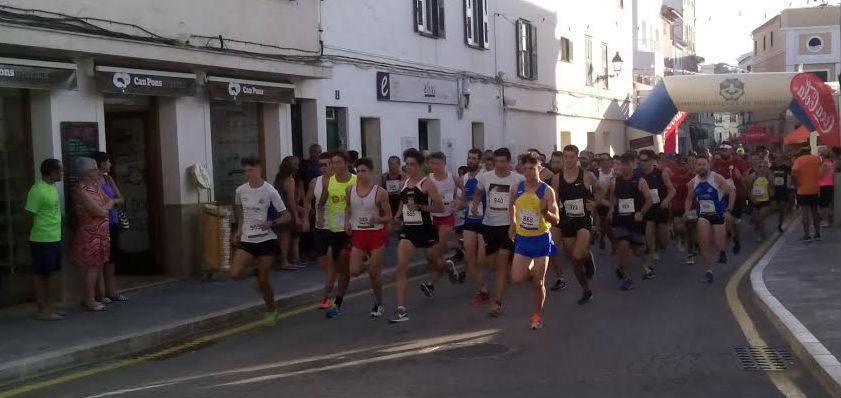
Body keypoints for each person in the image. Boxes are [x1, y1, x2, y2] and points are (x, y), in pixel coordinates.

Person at [230, 156, 289, 326]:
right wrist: (239, 229)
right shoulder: (240, 190)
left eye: (251, 170)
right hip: (248, 238)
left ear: (259, 170)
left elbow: (287, 216)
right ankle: (254, 272)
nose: (248, 174)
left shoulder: (270, 191)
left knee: (264, 281)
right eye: (245, 171)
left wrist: (272, 222)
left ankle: (271, 311)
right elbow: (240, 212)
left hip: (266, 239)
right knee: (235, 274)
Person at [389, 149, 443, 323]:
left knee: (435, 263)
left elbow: (439, 207)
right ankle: (401, 309)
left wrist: (420, 207)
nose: (409, 167)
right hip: (409, 230)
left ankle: (448, 266)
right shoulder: (404, 182)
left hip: (426, 230)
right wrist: (397, 216)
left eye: (413, 164)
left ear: (420, 165)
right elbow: (402, 203)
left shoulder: (427, 183)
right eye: (407, 164)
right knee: (401, 266)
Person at [472, 148, 524, 317]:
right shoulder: (485, 177)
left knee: (500, 265)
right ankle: (513, 266)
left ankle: (497, 303)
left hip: (509, 226)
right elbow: (478, 191)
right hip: (489, 225)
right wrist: (474, 204)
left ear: (509, 162)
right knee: (492, 265)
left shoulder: (518, 179)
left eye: (503, 162)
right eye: (497, 162)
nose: (500, 165)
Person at [510, 152, 560, 329]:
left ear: (539, 168)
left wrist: (546, 212)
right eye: (525, 169)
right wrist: (512, 225)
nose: (529, 172)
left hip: (540, 240)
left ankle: (537, 317)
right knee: (516, 279)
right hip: (523, 239)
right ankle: (530, 266)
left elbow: (556, 220)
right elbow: (512, 207)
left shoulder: (547, 191)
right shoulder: (517, 188)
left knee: (538, 283)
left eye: (532, 168)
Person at [552, 145, 599, 305]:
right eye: (566, 157)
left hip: (583, 221)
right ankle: (586, 289)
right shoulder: (557, 178)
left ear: (577, 158)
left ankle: (586, 256)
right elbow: (554, 200)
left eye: (572, 157)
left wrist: (595, 203)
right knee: (575, 260)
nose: (568, 160)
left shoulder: (587, 175)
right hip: (567, 221)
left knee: (578, 256)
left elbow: (602, 190)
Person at [345, 158, 392, 318]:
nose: (360, 174)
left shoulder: (380, 192)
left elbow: (388, 216)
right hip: (359, 233)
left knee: (374, 274)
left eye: (364, 171)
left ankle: (379, 303)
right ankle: (373, 264)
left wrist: (378, 219)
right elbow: (348, 207)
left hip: (376, 234)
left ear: (371, 172)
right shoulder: (350, 190)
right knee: (354, 271)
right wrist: (347, 223)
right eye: (358, 171)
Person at [317, 151, 357, 318]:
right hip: (334, 230)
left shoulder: (356, 180)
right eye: (333, 163)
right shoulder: (330, 182)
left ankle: (338, 301)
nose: (335, 166)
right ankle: (335, 296)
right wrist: (320, 219)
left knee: (344, 261)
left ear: (346, 163)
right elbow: (321, 203)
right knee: (341, 268)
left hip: (351, 230)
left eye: (338, 162)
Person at [72, 157, 115, 312]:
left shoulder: (96, 187)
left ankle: (90, 297)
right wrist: (104, 208)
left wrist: (104, 208)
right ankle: (89, 299)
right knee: (91, 266)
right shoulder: (81, 189)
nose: (98, 172)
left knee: (97, 266)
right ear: (87, 172)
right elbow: (100, 210)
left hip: (102, 231)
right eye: (94, 169)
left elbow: (110, 201)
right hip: (90, 233)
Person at [686, 155, 735, 283]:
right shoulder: (693, 182)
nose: (701, 167)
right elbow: (689, 198)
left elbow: (732, 192)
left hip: (718, 214)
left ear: (708, 165)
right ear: (695, 166)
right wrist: (686, 212)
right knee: (704, 244)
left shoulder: (717, 178)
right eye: (699, 165)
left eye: (704, 164)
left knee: (719, 244)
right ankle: (708, 272)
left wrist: (728, 210)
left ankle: (722, 251)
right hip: (703, 215)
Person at [607, 153, 653, 291]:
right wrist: (611, 209)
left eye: (627, 164)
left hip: (636, 220)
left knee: (638, 250)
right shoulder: (615, 181)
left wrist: (641, 212)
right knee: (623, 245)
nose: (625, 168)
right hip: (621, 219)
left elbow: (649, 200)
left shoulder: (640, 181)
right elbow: (613, 198)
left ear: (633, 165)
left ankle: (645, 248)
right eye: (622, 165)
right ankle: (627, 278)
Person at [25, 159, 64, 320]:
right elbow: (29, 214)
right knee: (42, 274)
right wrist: (28, 234)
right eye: (60, 170)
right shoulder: (38, 190)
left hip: (54, 236)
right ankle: (42, 309)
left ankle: (50, 306)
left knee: (52, 273)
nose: (62, 173)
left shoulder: (52, 188)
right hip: (42, 238)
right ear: (52, 172)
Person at [92, 152, 128, 303]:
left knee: (111, 258)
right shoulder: (93, 182)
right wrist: (109, 202)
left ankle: (111, 291)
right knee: (100, 259)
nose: (110, 164)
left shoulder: (108, 178)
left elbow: (120, 198)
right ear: (100, 163)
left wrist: (112, 202)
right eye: (108, 161)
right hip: (100, 223)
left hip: (112, 222)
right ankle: (100, 293)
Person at [302, 152, 336, 309]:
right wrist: (305, 220)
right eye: (321, 165)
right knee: (322, 264)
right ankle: (334, 282)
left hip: (337, 227)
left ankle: (327, 296)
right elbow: (308, 200)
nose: (324, 168)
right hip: (320, 227)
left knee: (330, 262)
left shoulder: (342, 182)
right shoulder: (314, 182)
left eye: (327, 164)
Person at [428, 152, 463, 290]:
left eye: (437, 163)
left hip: (447, 216)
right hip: (432, 216)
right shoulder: (428, 179)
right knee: (433, 253)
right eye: (431, 163)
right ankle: (456, 249)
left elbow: (465, 191)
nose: (434, 166)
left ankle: (431, 283)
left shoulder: (452, 178)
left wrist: (458, 203)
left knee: (440, 248)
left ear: (444, 163)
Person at [638, 149, 676, 274]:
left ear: (652, 161)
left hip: (661, 208)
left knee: (664, 241)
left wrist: (666, 200)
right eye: (641, 160)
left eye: (645, 160)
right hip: (648, 209)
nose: (642, 163)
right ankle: (651, 252)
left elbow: (672, 190)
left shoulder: (661, 174)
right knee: (649, 231)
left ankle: (668, 232)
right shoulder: (639, 176)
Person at [461, 149, 490, 305]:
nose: (470, 161)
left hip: (485, 221)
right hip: (470, 220)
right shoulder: (464, 177)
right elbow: (463, 200)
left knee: (481, 259)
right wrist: (455, 207)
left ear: (479, 161)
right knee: (470, 257)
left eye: (473, 158)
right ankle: (482, 289)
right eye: (469, 158)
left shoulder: (485, 176)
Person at [712, 142, 749, 258]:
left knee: (736, 221)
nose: (723, 151)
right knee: (725, 219)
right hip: (723, 196)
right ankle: (728, 238)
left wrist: (740, 177)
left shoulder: (739, 161)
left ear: (731, 150)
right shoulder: (716, 164)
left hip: (739, 195)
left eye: (726, 149)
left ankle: (736, 239)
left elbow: (747, 178)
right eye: (721, 149)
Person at [273, 156, 303, 271]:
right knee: (286, 237)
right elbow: (291, 200)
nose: (298, 167)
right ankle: (285, 261)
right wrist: (296, 216)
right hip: (287, 210)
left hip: (278, 209)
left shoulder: (279, 179)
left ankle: (288, 259)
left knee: (283, 236)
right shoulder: (290, 180)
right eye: (297, 165)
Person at [546, 151, 568, 291]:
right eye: (553, 162)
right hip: (556, 216)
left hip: (572, 216)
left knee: (572, 250)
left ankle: (586, 257)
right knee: (552, 245)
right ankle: (560, 278)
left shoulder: (572, 176)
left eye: (558, 162)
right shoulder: (547, 177)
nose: (555, 165)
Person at [792, 147, 823, 242]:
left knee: (805, 213)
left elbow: (793, 174)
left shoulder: (798, 161)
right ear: (810, 151)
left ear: (801, 152)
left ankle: (807, 235)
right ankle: (817, 234)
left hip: (803, 190)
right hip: (815, 189)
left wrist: (796, 185)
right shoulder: (817, 159)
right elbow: (821, 170)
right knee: (815, 212)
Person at [595, 153, 617, 253]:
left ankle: (605, 238)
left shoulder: (614, 172)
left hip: (613, 201)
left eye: (606, 160)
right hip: (601, 202)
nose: (604, 162)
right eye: (602, 160)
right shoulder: (596, 173)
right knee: (605, 221)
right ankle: (610, 240)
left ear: (610, 161)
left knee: (608, 224)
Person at [747, 159, 774, 241]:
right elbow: (748, 189)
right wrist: (752, 198)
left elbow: (772, 188)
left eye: (763, 167)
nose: (761, 168)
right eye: (759, 167)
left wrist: (771, 196)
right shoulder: (752, 177)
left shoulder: (768, 176)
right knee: (758, 219)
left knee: (761, 217)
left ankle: (761, 234)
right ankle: (760, 230)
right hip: (755, 201)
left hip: (765, 200)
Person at [770, 153, 792, 232]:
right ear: (775, 159)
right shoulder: (772, 168)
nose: (778, 159)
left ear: (782, 159)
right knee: (772, 208)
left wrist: (790, 187)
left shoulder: (787, 168)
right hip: (774, 190)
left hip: (783, 190)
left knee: (782, 209)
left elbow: (790, 178)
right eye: (776, 158)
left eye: (780, 158)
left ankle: (780, 224)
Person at [818, 148, 835, 227]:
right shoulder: (831, 163)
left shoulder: (825, 164)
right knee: (828, 204)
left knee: (824, 205)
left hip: (824, 185)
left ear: (823, 156)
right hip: (830, 185)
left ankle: (826, 221)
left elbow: (820, 175)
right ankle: (828, 220)